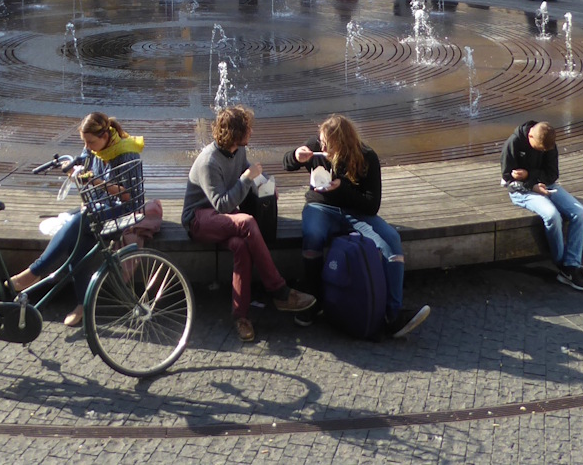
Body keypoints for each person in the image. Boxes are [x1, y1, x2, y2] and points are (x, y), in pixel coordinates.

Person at [283, 114, 430, 336]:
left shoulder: (366, 156)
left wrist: (341, 189)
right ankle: (315, 301)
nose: (323, 148)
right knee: (313, 235)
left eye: (328, 144)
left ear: (343, 143)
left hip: (357, 212)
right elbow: (286, 163)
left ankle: (393, 314)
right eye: (321, 142)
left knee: (391, 239)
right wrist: (295, 156)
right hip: (321, 207)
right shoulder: (316, 147)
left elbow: (371, 205)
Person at [182, 105, 316, 342]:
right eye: (247, 128)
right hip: (199, 219)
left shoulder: (237, 151)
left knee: (241, 246)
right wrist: (246, 179)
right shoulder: (208, 162)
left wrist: (265, 184)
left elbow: (246, 169)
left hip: (223, 219)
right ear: (236, 133)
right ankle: (279, 290)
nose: (251, 132)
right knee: (247, 221)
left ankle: (241, 316)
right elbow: (222, 204)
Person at [7, 112, 144, 327]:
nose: (87, 147)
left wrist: (96, 181)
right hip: (99, 208)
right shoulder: (93, 148)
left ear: (105, 136)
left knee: (78, 223)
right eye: (84, 142)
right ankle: (83, 305)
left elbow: (128, 196)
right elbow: (82, 163)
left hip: (123, 210)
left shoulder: (126, 153)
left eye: (91, 142)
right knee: (77, 241)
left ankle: (34, 272)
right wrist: (71, 169)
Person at [501, 120, 583, 291]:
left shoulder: (549, 143)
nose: (542, 152)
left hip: (545, 184)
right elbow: (507, 180)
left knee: (580, 213)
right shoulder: (513, 143)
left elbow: (552, 174)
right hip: (522, 191)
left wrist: (529, 175)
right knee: (552, 215)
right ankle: (563, 265)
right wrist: (532, 186)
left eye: (544, 150)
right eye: (539, 149)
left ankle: (571, 264)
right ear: (530, 136)